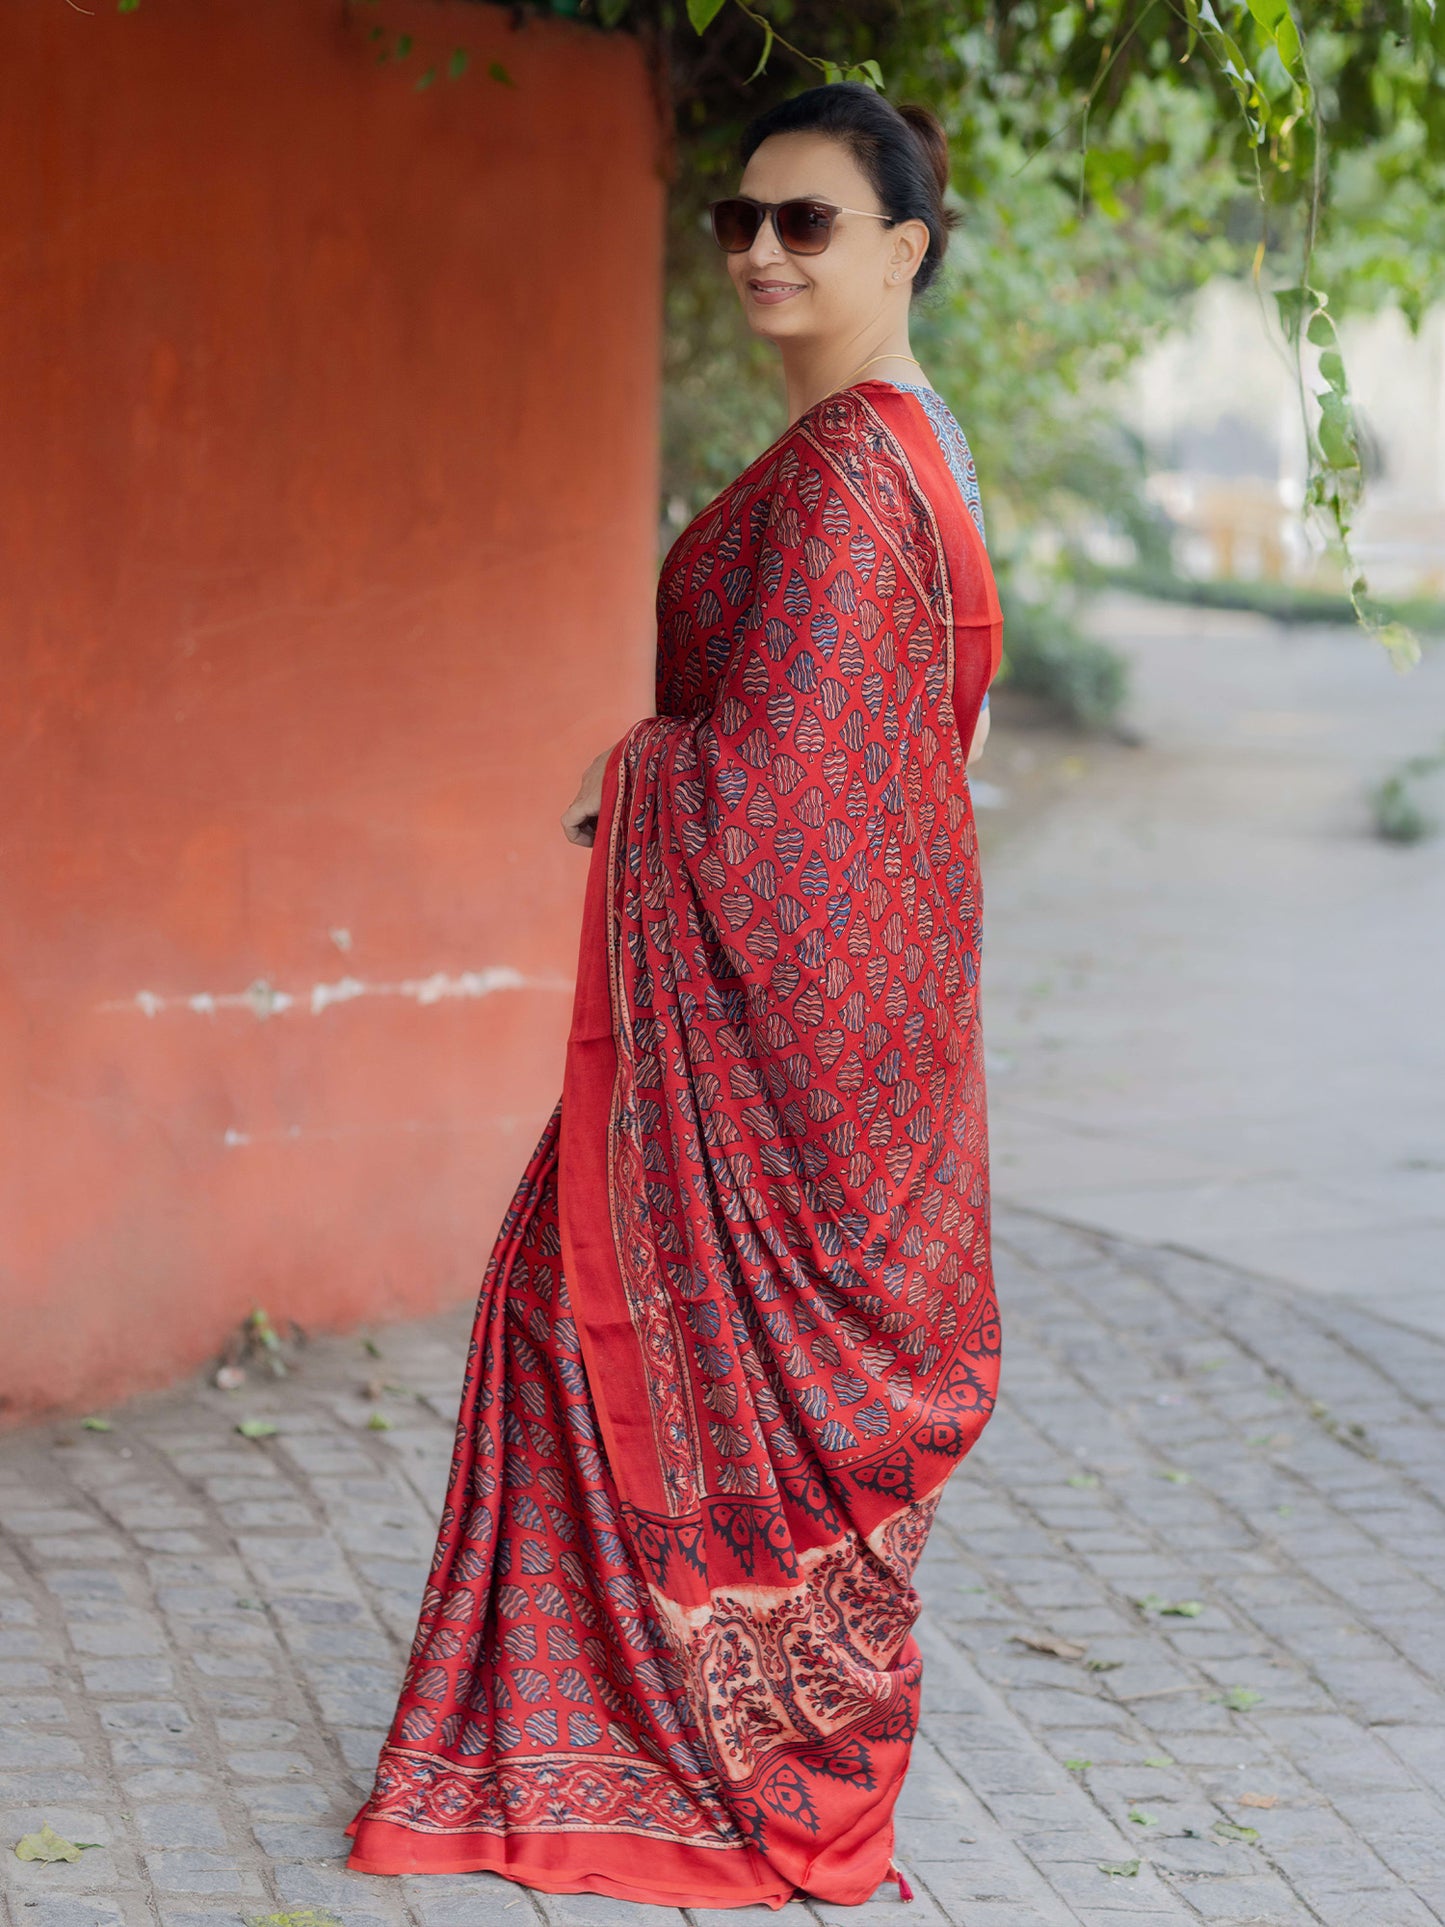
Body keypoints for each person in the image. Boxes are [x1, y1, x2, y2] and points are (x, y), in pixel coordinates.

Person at [345, 79, 1004, 1909]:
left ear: (904, 248)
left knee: (577, 1318)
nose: (762, 251)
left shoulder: (858, 472)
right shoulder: (878, 453)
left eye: (808, 222)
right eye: (740, 220)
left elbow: (790, 788)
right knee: (564, 1319)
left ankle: (688, 1769)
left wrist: (633, 767)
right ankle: (646, 1742)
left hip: (790, 1051)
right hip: (819, 1037)